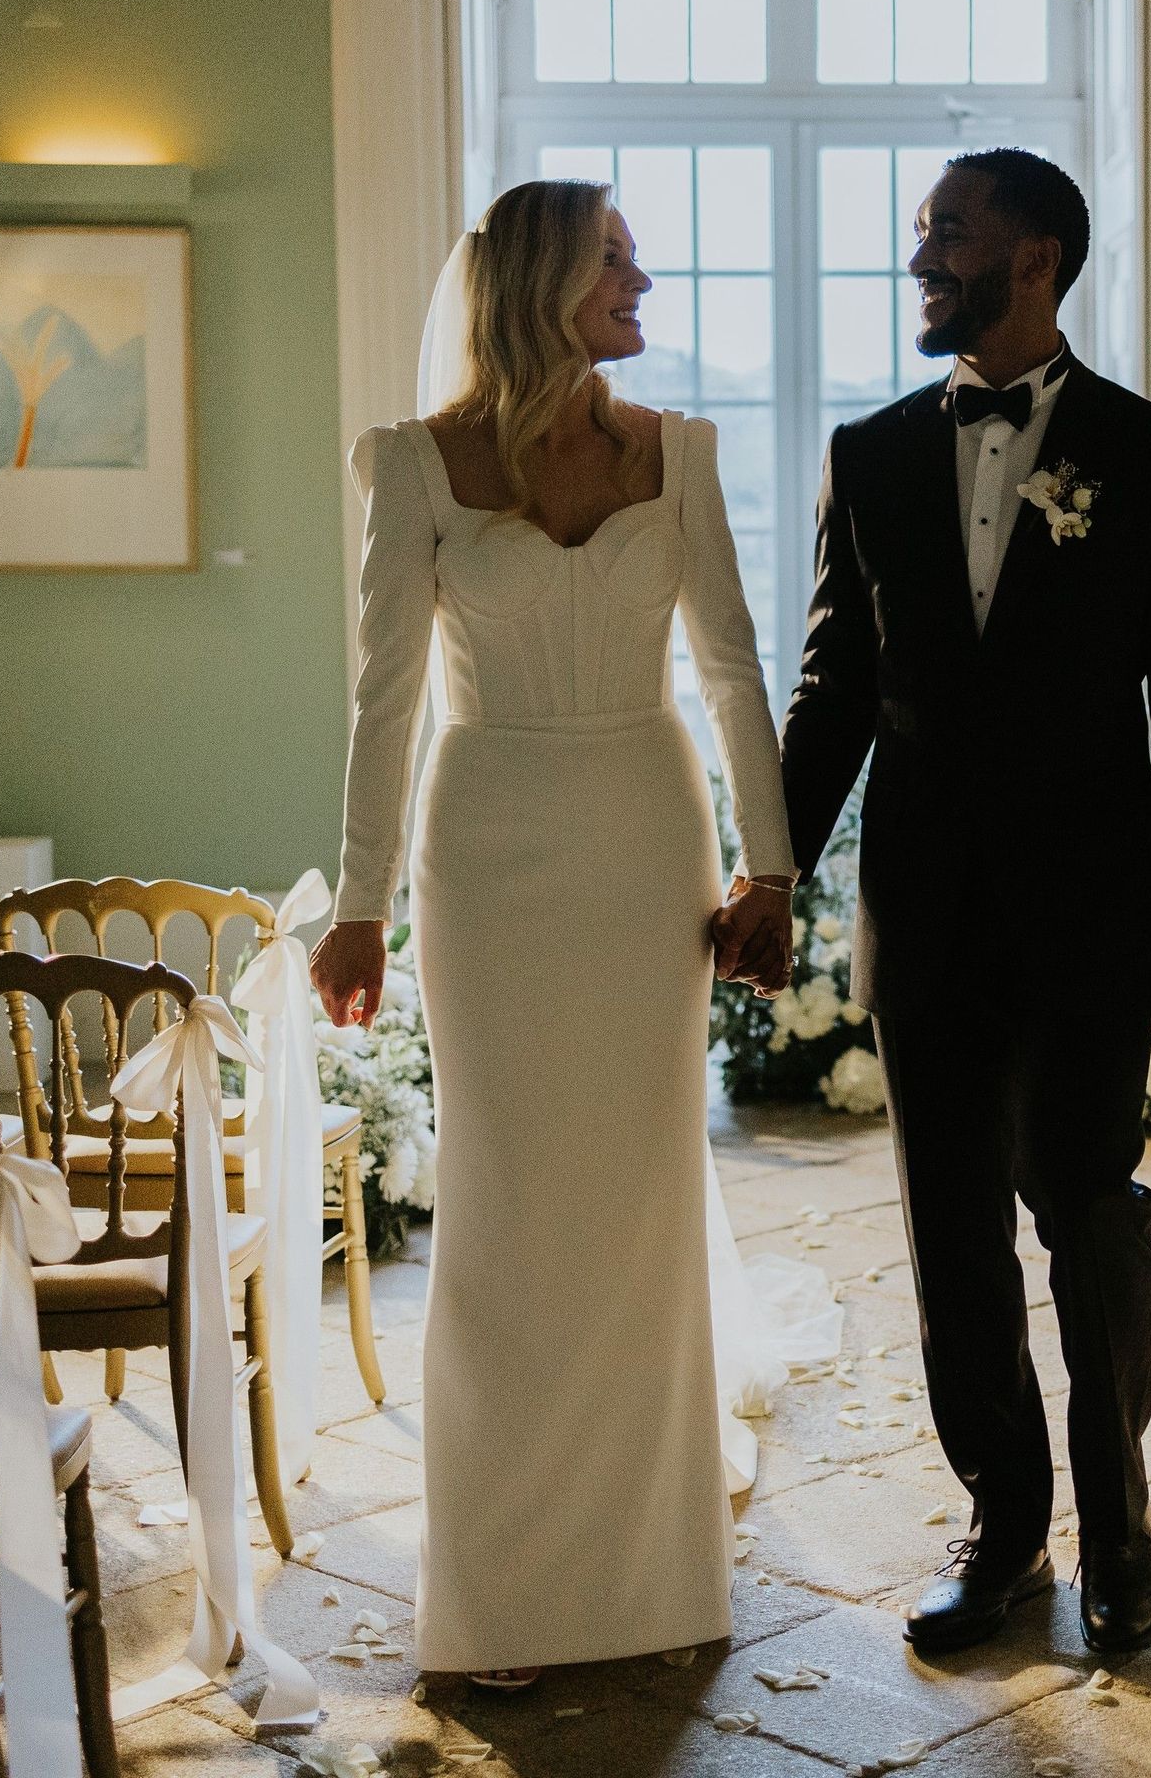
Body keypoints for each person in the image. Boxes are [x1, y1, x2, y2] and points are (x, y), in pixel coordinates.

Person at [313, 179, 833, 1692]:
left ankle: (651, 1574)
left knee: (636, 1196)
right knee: (504, 1207)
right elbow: (382, 700)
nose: (644, 276)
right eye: (616, 257)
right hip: (481, 848)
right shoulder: (411, 465)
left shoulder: (680, 454)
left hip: (639, 834)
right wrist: (358, 907)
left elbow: (736, 671)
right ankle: (503, 1594)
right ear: (545, 282)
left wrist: (773, 869)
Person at [766, 150, 1151, 1657]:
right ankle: (1005, 1529)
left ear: (1034, 256)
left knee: (1088, 1208)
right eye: (920, 234)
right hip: (923, 901)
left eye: (946, 233)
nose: (921, 257)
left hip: (1093, 901)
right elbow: (834, 686)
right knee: (949, 1226)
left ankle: (1123, 1527)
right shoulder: (872, 451)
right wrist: (769, 873)